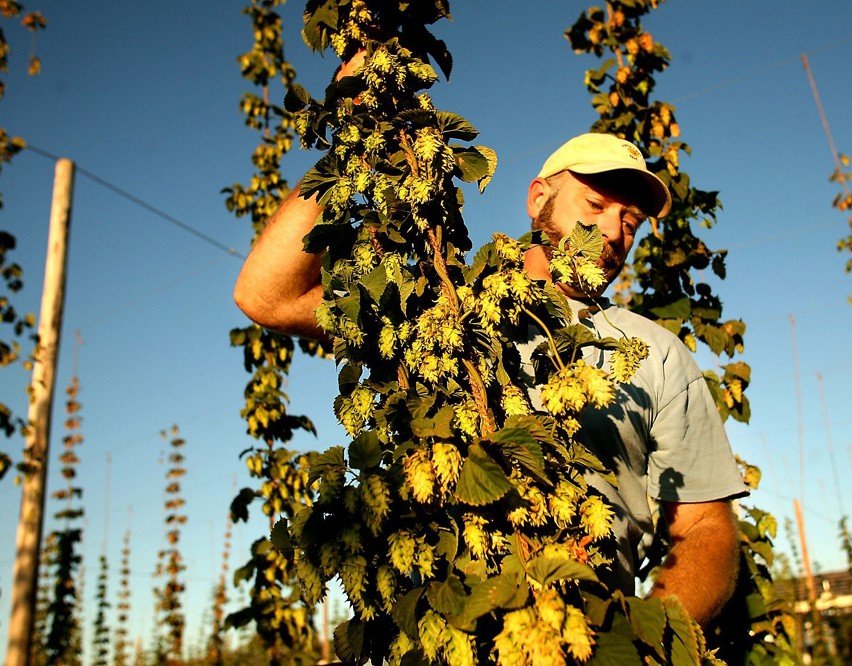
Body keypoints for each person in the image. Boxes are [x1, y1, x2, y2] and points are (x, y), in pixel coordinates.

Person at [234, 132, 747, 627]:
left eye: (630, 222)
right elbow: (267, 297)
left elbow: (706, 527)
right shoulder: (440, 308)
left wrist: (644, 634)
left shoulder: (658, 356)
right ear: (539, 197)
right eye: (595, 206)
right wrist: (350, 130)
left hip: (584, 632)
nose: (614, 232)